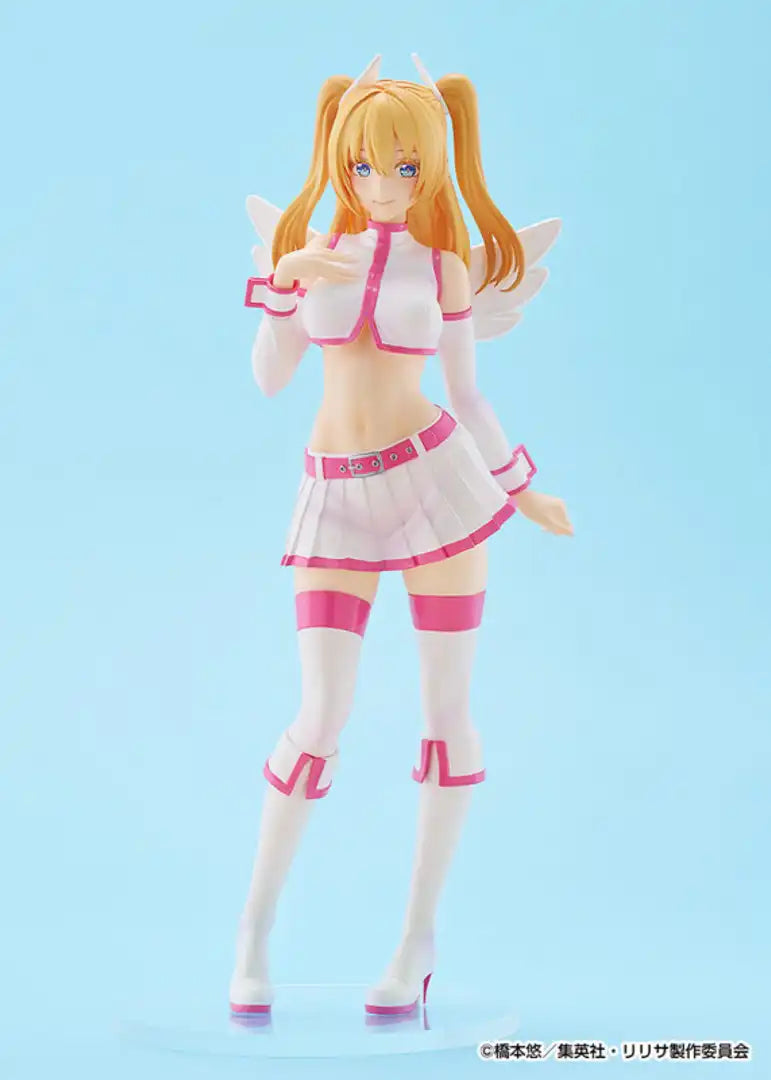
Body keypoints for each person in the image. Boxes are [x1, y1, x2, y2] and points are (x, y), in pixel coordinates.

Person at [230, 53, 573, 1018]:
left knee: (443, 714)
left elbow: (468, 395)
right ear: (339, 161)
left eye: (406, 166)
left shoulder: (445, 267)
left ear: (431, 166)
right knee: (318, 717)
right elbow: (270, 379)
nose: (383, 184)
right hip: (335, 496)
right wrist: (283, 284)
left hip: (439, 491)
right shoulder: (312, 251)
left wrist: (524, 490)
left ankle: (415, 943)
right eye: (365, 165)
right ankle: (251, 934)